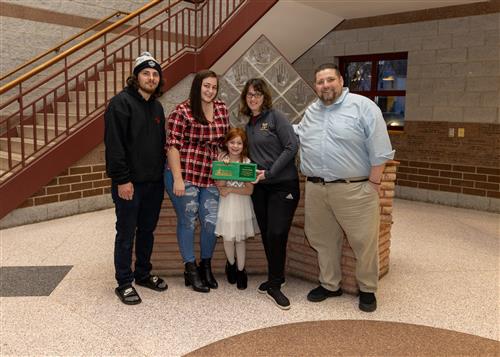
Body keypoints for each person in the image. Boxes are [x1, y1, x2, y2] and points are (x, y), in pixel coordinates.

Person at [294, 63, 395, 312]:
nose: (325, 85)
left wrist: (373, 182)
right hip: (317, 188)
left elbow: (381, 149)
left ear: (341, 81)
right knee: (322, 239)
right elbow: (297, 135)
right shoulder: (312, 111)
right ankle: (330, 285)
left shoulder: (363, 107)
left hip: (355, 189)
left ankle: (367, 289)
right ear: (315, 86)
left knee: (364, 241)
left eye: (330, 80)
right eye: (320, 82)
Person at [104, 52, 168, 305]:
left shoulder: (157, 107)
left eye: (155, 74)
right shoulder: (120, 103)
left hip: (154, 183)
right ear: (136, 76)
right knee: (126, 232)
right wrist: (122, 180)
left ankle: (143, 273)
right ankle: (124, 282)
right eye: (146, 73)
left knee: (147, 231)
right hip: (129, 183)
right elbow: (115, 146)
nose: (151, 78)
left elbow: (161, 144)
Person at [165, 70, 230, 293]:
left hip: (211, 175)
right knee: (189, 221)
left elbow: (225, 141)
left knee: (211, 222)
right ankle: (190, 267)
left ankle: (206, 266)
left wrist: (225, 158)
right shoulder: (181, 111)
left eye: (214, 87)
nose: (210, 91)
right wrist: (177, 179)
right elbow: (172, 146)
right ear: (197, 87)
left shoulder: (222, 108)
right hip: (186, 173)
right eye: (206, 86)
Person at [242, 78, 300, 310]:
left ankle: (275, 283)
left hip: (283, 185)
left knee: (277, 232)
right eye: (249, 95)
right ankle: (277, 276)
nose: (253, 98)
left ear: (265, 97)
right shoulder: (250, 124)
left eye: (257, 94)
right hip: (261, 188)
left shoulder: (276, 117)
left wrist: (270, 173)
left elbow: (291, 146)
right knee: (267, 233)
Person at [214, 128, 260, 290]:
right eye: (232, 142)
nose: (235, 146)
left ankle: (241, 271)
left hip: (242, 203)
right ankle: (231, 265)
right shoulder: (221, 159)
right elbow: (219, 185)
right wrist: (224, 170)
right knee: (228, 237)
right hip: (227, 205)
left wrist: (231, 189)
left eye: (239, 143)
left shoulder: (246, 163)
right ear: (226, 143)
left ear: (243, 145)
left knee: (240, 239)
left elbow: (249, 190)